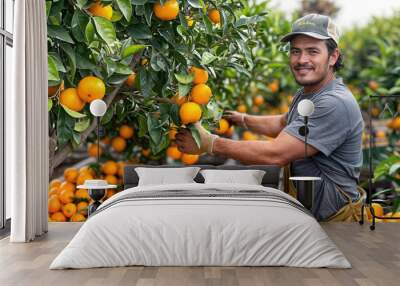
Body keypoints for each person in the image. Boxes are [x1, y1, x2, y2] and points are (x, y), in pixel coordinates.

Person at [175, 13, 365, 221]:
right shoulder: (309, 93)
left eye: (312, 51)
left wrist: (211, 143)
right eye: (296, 51)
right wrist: (243, 119)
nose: (302, 60)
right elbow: (283, 122)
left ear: (333, 57)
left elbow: (276, 154)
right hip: (312, 215)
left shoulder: (333, 103)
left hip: (334, 222)